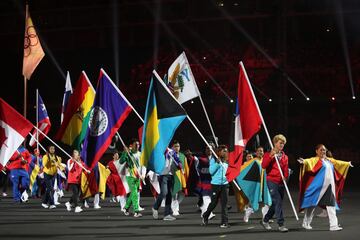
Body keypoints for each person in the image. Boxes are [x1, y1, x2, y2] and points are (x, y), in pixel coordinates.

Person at [298, 144, 353, 231]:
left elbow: (338, 163)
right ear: (316, 151)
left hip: (329, 187)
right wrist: (303, 161)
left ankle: (333, 225)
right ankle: (306, 223)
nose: (323, 151)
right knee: (311, 205)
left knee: (331, 205)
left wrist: (347, 164)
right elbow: (308, 161)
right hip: (317, 188)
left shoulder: (329, 160)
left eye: (324, 150)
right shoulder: (315, 160)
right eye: (321, 150)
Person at [261, 134, 289, 232]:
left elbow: (285, 169)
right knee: (278, 202)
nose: (282, 145)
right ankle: (281, 224)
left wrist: (285, 177)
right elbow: (263, 166)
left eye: (283, 144)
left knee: (275, 204)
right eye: (280, 143)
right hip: (271, 181)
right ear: (275, 143)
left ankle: (265, 220)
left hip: (281, 182)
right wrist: (271, 156)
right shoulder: (268, 154)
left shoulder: (285, 157)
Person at [202, 145, 230, 228]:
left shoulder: (227, 161)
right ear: (219, 152)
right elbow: (211, 172)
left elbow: (230, 171)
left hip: (225, 184)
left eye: (226, 151)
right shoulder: (213, 160)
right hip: (215, 185)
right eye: (224, 151)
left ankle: (224, 222)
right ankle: (205, 215)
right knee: (214, 203)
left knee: (224, 204)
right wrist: (217, 163)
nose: (225, 152)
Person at [242, 147, 271, 223]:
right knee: (254, 201)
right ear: (256, 153)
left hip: (265, 184)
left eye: (261, 151)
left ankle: (265, 218)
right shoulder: (253, 161)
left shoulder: (265, 161)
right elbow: (245, 169)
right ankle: (247, 213)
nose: (260, 152)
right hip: (256, 184)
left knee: (267, 201)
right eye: (258, 151)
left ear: (263, 152)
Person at [152, 147, 181, 221]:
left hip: (171, 175)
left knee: (169, 195)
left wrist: (179, 164)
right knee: (164, 192)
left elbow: (177, 160)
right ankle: (155, 207)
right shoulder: (159, 151)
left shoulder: (172, 151)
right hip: (162, 174)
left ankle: (167, 214)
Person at [120, 139, 143, 217]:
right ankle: (136, 211)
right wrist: (125, 152)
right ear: (132, 146)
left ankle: (126, 208)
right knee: (134, 193)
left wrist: (143, 174)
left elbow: (143, 165)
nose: (137, 146)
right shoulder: (129, 154)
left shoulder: (140, 154)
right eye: (135, 145)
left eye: (138, 145)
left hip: (138, 176)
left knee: (133, 193)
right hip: (130, 176)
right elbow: (121, 161)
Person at [170, 140, 189, 216]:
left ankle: (175, 206)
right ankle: (175, 209)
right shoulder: (169, 155)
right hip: (173, 176)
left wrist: (185, 176)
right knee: (174, 194)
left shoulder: (182, 156)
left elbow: (186, 167)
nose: (177, 148)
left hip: (181, 177)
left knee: (181, 194)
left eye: (178, 146)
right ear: (172, 147)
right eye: (175, 146)